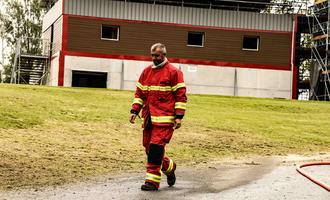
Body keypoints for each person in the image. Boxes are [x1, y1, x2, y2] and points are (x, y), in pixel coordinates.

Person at [129, 43, 187, 191]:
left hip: (165, 119)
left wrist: (179, 116)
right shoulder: (146, 72)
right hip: (149, 118)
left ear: (164, 55)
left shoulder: (174, 72)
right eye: (152, 55)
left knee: (155, 149)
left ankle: (152, 182)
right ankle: (170, 167)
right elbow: (140, 94)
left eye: (157, 56)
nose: (154, 58)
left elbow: (181, 96)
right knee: (149, 149)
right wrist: (134, 111)